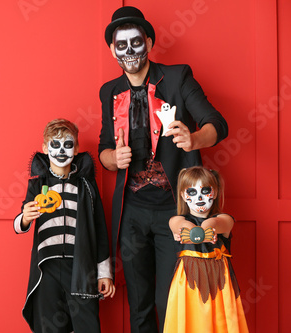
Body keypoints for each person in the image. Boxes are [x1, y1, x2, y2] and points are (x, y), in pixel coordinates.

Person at [98, 6, 229, 333]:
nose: (129, 51)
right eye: (121, 44)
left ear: (150, 42)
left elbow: (218, 124)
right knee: (139, 304)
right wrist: (114, 159)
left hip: (176, 211)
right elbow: (103, 149)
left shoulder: (177, 77)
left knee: (170, 299)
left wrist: (194, 137)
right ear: (112, 49)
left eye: (136, 42)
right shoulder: (109, 92)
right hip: (132, 213)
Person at [14, 119, 115, 333]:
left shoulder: (86, 185)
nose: (61, 151)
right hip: (46, 267)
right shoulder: (37, 184)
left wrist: (104, 272)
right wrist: (25, 217)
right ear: (44, 148)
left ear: (76, 149)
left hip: (81, 266)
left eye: (68, 145)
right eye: (55, 145)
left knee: (86, 324)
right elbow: (20, 223)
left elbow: (99, 227)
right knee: (49, 324)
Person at [165, 166, 248, 332]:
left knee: (221, 322)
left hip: (219, 281)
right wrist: (191, 229)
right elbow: (179, 225)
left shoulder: (224, 219)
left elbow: (218, 223)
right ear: (183, 195)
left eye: (205, 190)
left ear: (215, 193)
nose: (200, 197)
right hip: (189, 281)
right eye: (193, 192)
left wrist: (206, 227)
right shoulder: (178, 220)